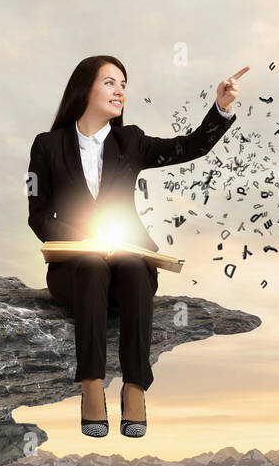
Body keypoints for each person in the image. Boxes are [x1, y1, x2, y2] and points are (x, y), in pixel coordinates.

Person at [27, 55, 247, 437]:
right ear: (85, 88)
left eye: (124, 85)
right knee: (93, 265)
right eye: (111, 82)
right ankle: (91, 386)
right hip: (75, 270)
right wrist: (83, 240)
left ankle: (134, 387)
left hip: (128, 265)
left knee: (131, 266)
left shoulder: (131, 141)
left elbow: (189, 147)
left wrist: (220, 108)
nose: (120, 91)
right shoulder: (47, 145)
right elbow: (38, 214)